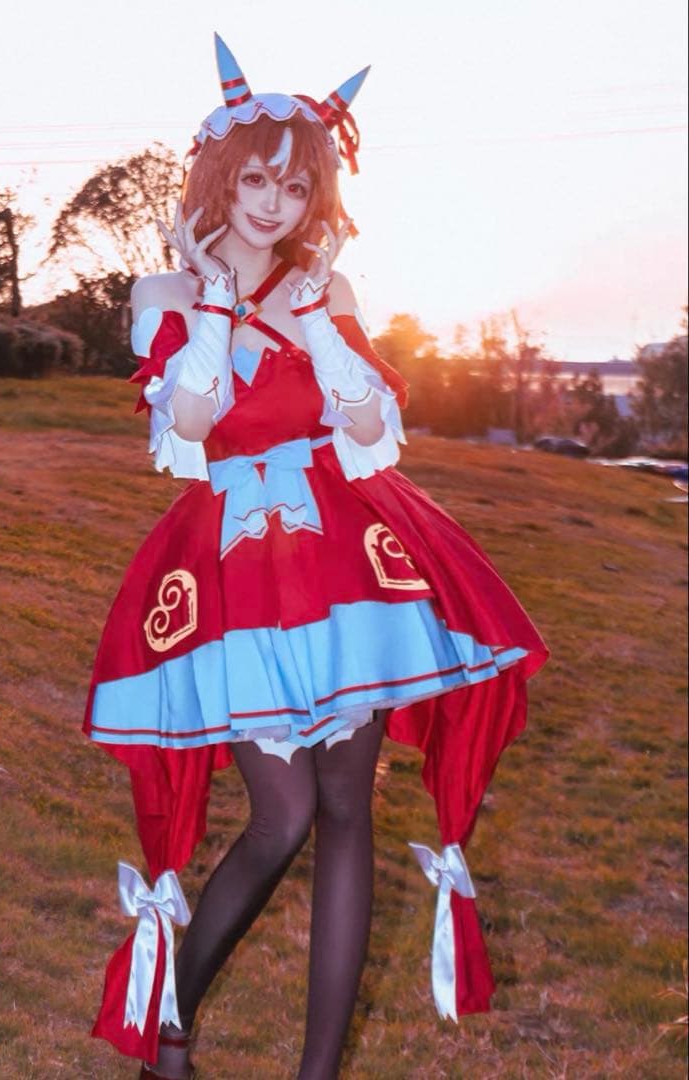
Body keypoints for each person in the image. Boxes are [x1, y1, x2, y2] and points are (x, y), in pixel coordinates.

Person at [81, 34, 548, 1080]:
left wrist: (321, 320)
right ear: (218, 176)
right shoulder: (162, 295)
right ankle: (169, 1026)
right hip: (237, 561)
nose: (273, 203)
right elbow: (188, 428)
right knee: (281, 815)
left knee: (347, 809)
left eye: (295, 187)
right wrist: (216, 297)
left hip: (345, 557)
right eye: (255, 178)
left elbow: (371, 429)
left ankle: (317, 1073)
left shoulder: (324, 291)